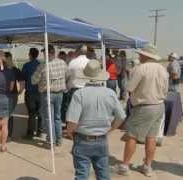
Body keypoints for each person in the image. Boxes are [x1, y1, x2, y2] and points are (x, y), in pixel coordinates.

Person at [114, 44, 168, 177]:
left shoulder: (141, 68)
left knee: (132, 136)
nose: (139, 55)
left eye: (141, 54)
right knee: (151, 137)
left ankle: (125, 165)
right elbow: (166, 90)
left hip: (144, 106)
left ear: (145, 55)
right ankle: (147, 166)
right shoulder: (162, 69)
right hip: (159, 105)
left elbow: (130, 87)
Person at [66, 60, 126, 180]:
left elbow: (72, 122)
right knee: (103, 174)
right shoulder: (110, 93)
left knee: (82, 175)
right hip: (101, 139)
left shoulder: (79, 94)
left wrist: (70, 133)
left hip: (82, 138)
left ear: (84, 77)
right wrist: (110, 129)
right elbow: (121, 116)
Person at [32, 45, 68, 147]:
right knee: (57, 117)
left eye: (44, 53)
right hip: (59, 93)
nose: (44, 55)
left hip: (47, 94)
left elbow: (33, 80)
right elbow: (68, 75)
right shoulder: (62, 63)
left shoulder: (43, 65)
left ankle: (51, 141)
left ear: (49, 53)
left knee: (49, 118)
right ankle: (59, 139)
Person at [62, 45, 90, 128]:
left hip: (74, 88)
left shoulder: (73, 62)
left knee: (71, 110)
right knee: (84, 110)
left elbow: (67, 75)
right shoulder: (89, 62)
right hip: (86, 88)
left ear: (78, 51)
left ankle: (69, 128)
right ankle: (82, 127)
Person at [22, 48, 43, 139]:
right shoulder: (41, 65)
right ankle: (40, 131)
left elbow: (23, 78)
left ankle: (30, 133)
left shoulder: (26, 65)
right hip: (40, 92)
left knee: (32, 114)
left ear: (30, 55)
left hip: (30, 92)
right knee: (40, 113)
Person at [4, 52, 24, 139]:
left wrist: (19, 91)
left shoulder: (1, 70)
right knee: (9, 114)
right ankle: (8, 134)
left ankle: (5, 132)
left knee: (4, 114)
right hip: (12, 95)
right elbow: (22, 83)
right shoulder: (16, 70)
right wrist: (20, 91)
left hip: (5, 95)